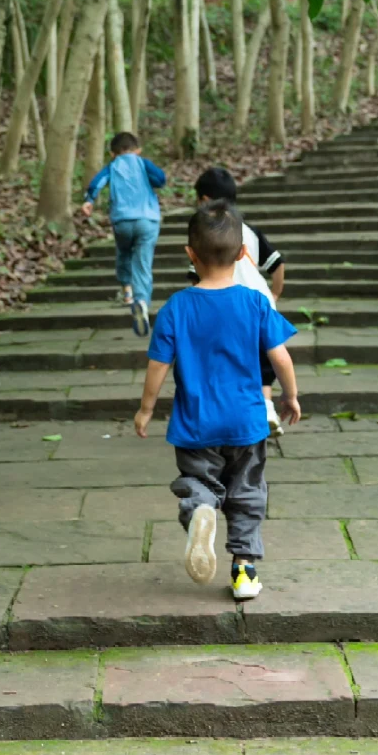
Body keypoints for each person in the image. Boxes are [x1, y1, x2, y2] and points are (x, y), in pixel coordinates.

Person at [134, 200, 301, 602]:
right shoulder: (256, 302)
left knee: (198, 483)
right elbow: (280, 356)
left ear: (190, 255)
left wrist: (145, 409)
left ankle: (201, 512)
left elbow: (158, 365)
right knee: (247, 493)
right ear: (245, 253)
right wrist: (290, 396)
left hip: (195, 425)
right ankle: (244, 570)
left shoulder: (176, 308)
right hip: (246, 422)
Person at [193, 166, 286, 437]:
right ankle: (267, 408)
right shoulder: (249, 231)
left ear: (203, 201)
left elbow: (196, 279)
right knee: (263, 362)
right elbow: (277, 265)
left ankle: (229, 416)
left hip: (223, 309)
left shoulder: (202, 236)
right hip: (259, 305)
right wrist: (275, 293)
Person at [81, 131, 166, 337]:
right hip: (147, 220)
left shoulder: (113, 166)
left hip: (122, 221)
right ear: (138, 150)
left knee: (124, 252)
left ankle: (127, 289)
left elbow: (97, 183)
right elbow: (160, 179)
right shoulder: (143, 163)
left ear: (112, 153)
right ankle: (141, 301)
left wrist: (89, 200)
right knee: (143, 263)